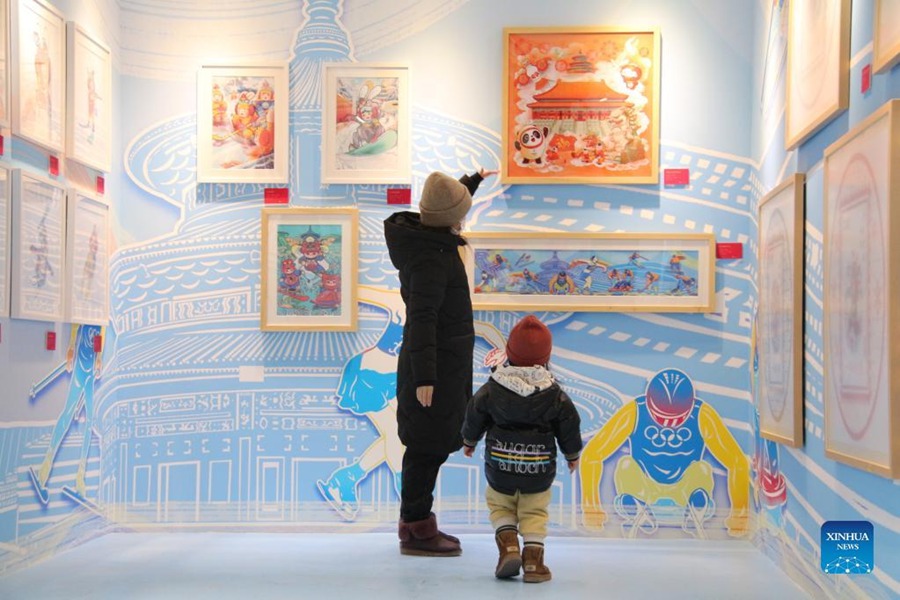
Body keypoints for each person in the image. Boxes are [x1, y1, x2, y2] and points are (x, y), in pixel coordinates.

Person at [383, 167, 496, 556]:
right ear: (451, 219)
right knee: (425, 448)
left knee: (431, 444)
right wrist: (425, 378)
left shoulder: (430, 238)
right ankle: (416, 529)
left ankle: (417, 523)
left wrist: (473, 180)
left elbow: (447, 205)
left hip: (442, 365)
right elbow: (422, 319)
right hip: (432, 370)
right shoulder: (430, 259)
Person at [462, 315, 582, 583]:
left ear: (510, 353)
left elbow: (474, 414)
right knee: (534, 513)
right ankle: (533, 563)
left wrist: (469, 441)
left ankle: (509, 548)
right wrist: (572, 454)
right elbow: (569, 424)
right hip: (538, 470)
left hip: (500, 466)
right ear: (546, 356)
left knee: (500, 506)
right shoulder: (554, 393)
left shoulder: (493, 387)